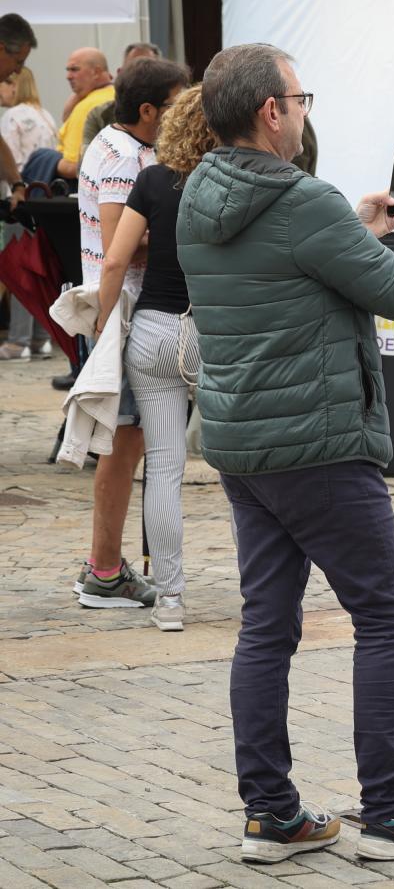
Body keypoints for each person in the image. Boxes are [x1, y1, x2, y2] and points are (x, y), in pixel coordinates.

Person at [177, 43, 394, 863]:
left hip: (244, 446)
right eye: (302, 97)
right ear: (272, 111)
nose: (305, 111)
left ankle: (272, 814)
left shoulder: (198, 195)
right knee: (388, 614)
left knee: (267, 628)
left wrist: (358, 230)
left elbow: (291, 269)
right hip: (320, 444)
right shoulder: (302, 201)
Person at [73, 57, 192, 609]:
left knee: (131, 445)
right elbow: (122, 244)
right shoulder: (123, 157)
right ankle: (103, 571)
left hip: (125, 311)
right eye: (175, 102)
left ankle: (105, 566)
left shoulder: (124, 147)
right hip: (122, 312)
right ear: (148, 110)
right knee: (122, 448)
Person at [91, 86, 211, 632]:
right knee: (244, 469)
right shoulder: (235, 183)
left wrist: (101, 326)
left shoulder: (153, 180)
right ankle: (268, 593)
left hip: (157, 329)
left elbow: (115, 261)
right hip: (217, 333)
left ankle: (170, 601)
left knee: (163, 467)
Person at [1, 65, 59, 361]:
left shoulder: (13, 116)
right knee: (39, 269)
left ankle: (17, 341)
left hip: (18, 199)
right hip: (44, 199)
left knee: (18, 271)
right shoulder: (46, 115)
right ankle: (41, 338)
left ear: (14, 85)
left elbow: (5, 155)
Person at [80, 42, 162, 148]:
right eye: (133, 69)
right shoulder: (99, 115)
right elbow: (88, 159)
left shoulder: (172, 115)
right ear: (120, 73)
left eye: (149, 70)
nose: (141, 77)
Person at [55, 48, 116, 181]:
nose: (68, 76)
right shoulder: (118, 95)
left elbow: (73, 166)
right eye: (68, 70)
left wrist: (47, 161)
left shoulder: (88, 106)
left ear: (97, 72)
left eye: (74, 69)